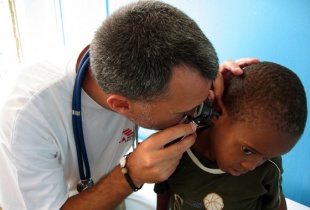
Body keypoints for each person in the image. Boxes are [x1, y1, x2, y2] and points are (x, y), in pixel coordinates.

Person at [0, 1, 258, 209]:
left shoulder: (124, 58)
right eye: (185, 111)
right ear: (122, 106)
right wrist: (129, 175)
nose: (198, 113)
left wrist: (212, 86)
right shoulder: (27, 118)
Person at [155, 61, 308, 210]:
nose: (251, 166)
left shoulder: (269, 168)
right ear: (217, 111)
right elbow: (163, 188)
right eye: (247, 150)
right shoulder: (175, 150)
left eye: (265, 157)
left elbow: (275, 203)